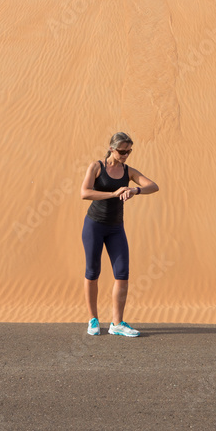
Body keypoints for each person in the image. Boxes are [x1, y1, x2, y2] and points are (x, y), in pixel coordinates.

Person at [79, 132, 158, 337]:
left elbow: (153, 186)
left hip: (116, 228)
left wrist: (135, 191)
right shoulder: (96, 167)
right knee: (92, 272)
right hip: (94, 226)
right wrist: (114, 194)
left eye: (129, 151)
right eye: (122, 151)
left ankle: (117, 323)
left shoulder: (127, 171)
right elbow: (85, 193)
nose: (126, 155)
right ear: (112, 148)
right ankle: (93, 319)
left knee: (122, 274)